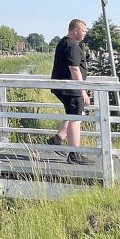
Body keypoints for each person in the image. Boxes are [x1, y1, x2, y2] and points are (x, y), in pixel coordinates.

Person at [47, 19, 95, 166]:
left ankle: (57, 139)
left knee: (73, 113)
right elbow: (74, 69)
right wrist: (83, 91)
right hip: (70, 88)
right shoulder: (72, 45)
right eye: (83, 30)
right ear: (75, 30)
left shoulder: (63, 42)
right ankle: (74, 155)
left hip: (64, 86)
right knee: (76, 117)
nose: (85, 33)